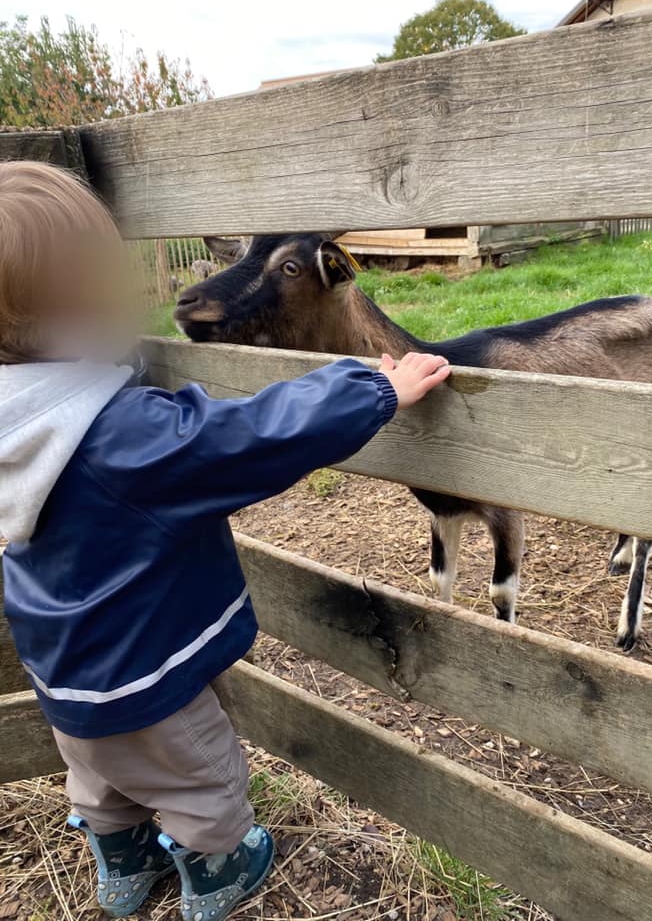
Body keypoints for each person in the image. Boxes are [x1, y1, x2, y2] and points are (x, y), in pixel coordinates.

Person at [0, 160, 451, 921]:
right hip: (147, 676)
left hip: (63, 676)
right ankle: (220, 871)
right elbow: (244, 437)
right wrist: (371, 388)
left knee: (101, 782)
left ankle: (122, 871)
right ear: (82, 308)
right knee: (201, 777)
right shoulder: (119, 436)